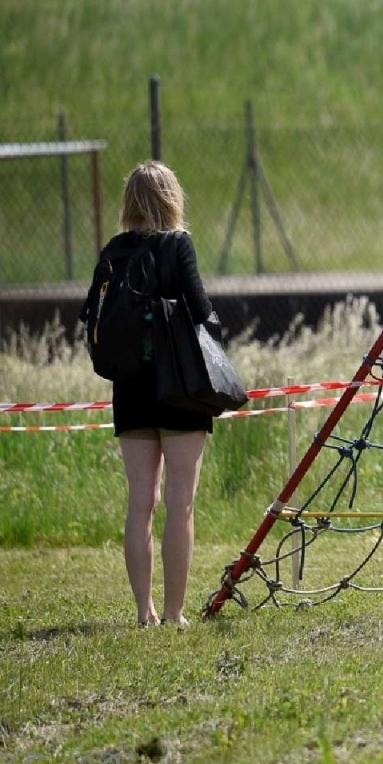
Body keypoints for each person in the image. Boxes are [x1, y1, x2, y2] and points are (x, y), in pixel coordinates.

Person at [84, 161, 214, 627]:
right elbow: (201, 311)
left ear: (129, 202)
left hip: (130, 387)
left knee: (141, 501)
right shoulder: (177, 245)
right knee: (180, 501)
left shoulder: (113, 250)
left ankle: (145, 612)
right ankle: (176, 612)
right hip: (180, 386)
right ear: (171, 198)